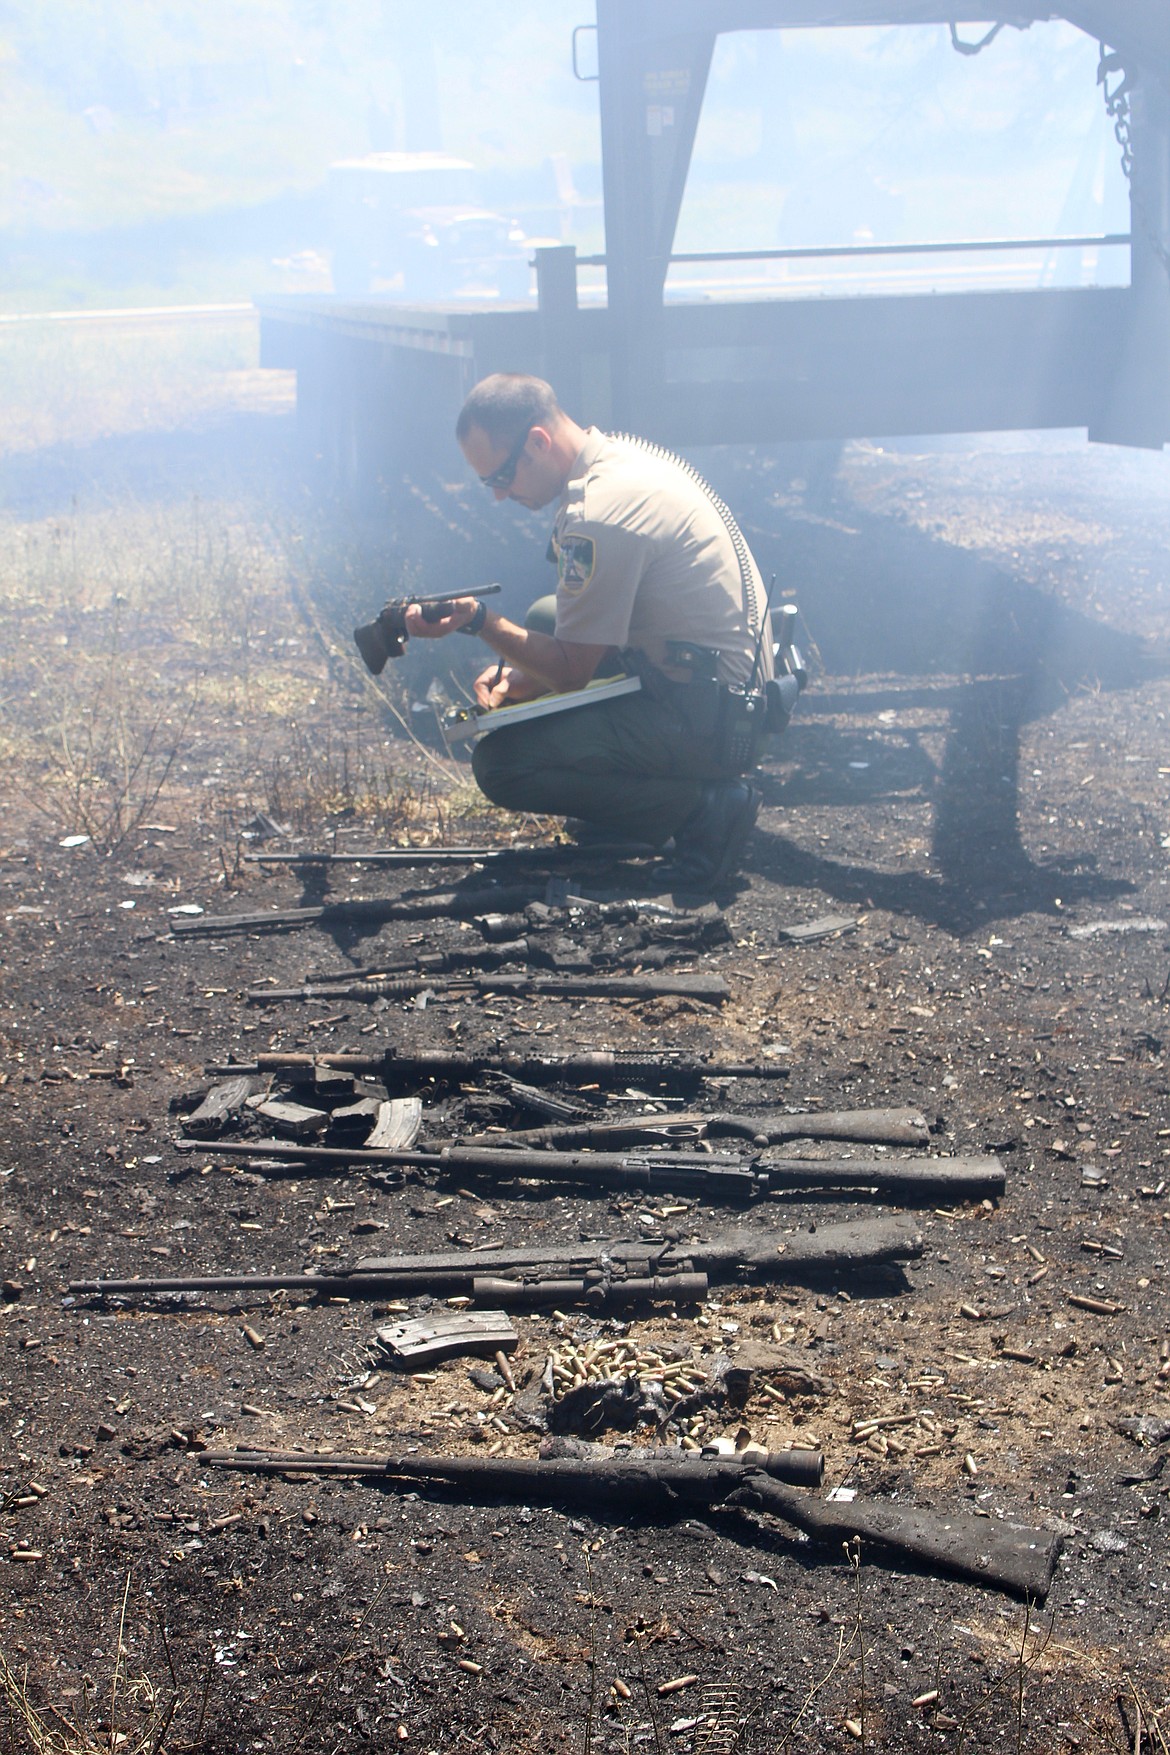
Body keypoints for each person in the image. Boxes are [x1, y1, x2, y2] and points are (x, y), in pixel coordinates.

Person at [404, 372, 773, 886]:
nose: (498, 496)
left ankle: (704, 810)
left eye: (501, 477)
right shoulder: (614, 460)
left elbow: (573, 671)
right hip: (707, 686)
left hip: (713, 723)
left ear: (538, 442)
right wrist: (525, 680)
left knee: (502, 764)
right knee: (543, 615)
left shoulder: (600, 513)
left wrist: (478, 621)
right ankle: (624, 807)